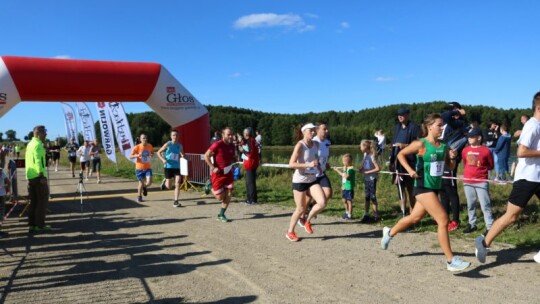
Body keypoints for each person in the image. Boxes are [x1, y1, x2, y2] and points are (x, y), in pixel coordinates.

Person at [380, 113, 470, 272]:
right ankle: (450, 260)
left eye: (442, 125)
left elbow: (449, 167)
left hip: (434, 187)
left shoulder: (443, 146)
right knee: (443, 220)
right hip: (422, 186)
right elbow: (401, 155)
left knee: (414, 218)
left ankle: (389, 233)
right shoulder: (420, 144)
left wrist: (453, 157)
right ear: (429, 127)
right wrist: (410, 170)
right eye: (438, 125)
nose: (442, 128)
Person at [475, 91, 540, 265]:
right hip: (527, 179)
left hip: (538, 178)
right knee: (512, 216)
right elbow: (521, 151)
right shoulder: (532, 125)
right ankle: (484, 243)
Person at [285, 123, 326, 241]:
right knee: (301, 208)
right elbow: (291, 164)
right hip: (300, 180)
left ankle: (306, 221)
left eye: (314, 130)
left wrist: (318, 166)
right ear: (304, 132)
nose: (313, 132)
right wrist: (308, 165)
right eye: (310, 130)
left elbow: (315, 157)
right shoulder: (300, 145)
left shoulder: (316, 144)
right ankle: (290, 232)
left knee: (322, 203)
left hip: (312, 179)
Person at [440, 102, 468, 232]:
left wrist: (458, 113)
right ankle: (445, 218)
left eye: (453, 110)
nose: (450, 112)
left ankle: (456, 220)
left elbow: (445, 116)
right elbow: (444, 116)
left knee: (451, 190)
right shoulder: (448, 123)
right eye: (450, 110)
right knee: (443, 191)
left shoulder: (460, 123)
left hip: (451, 161)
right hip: (442, 160)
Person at [461, 128, 495, 234]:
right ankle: (472, 224)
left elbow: (491, 165)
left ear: (479, 138)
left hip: (481, 181)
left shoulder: (486, 151)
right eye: (468, 136)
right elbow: (464, 163)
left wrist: (481, 171)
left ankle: (490, 227)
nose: (469, 138)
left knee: (485, 204)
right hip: (468, 181)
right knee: (470, 204)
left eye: (472, 136)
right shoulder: (465, 150)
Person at [389, 107, 420, 216]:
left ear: (408, 115)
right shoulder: (397, 127)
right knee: (400, 187)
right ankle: (403, 212)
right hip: (397, 162)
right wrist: (392, 147)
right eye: (398, 115)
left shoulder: (414, 127)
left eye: (402, 114)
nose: (400, 116)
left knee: (410, 188)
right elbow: (394, 140)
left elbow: (418, 144)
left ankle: (413, 212)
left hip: (409, 162)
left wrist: (405, 146)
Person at [204, 127, 237, 222]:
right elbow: (206, 155)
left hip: (228, 173)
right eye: (228, 134)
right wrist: (212, 167)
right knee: (220, 197)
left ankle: (221, 214)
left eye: (232, 134)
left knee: (229, 193)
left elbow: (231, 157)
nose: (231, 136)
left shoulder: (232, 146)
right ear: (223, 135)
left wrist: (235, 160)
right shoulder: (217, 145)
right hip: (218, 174)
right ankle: (209, 185)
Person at [26, 125, 51, 233]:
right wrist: (42, 176)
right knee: (42, 202)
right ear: (38, 133)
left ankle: (32, 224)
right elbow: (38, 161)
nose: (45, 134)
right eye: (44, 132)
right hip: (38, 177)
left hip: (31, 176)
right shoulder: (38, 145)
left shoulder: (30, 144)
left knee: (33, 202)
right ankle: (40, 225)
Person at [157, 130, 184, 207]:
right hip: (168, 166)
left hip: (177, 166)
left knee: (178, 183)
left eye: (176, 135)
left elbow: (182, 153)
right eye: (173, 135)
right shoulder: (168, 144)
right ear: (171, 136)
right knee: (169, 186)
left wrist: (183, 156)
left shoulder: (180, 146)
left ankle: (176, 201)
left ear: (178, 136)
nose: (175, 137)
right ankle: (165, 181)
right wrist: (163, 160)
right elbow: (158, 152)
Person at [358, 139, 381, 222]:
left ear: (365, 147)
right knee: (367, 197)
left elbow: (378, 168)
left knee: (373, 197)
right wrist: (361, 168)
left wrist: (367, 172)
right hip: (366, 179)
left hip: (372, 179)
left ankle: (376, 215)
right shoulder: (365, 154)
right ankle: (366, 214)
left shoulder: (372, 155)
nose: (359, 147)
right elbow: (364, 165)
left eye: (361, 146)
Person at [130, 133, 154, 203]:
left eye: (146, 138)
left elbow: (152, 152)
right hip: (139, 168)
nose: (145, 139)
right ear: (140, 139)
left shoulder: (149, 146)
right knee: (140, 183)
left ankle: (145, 187)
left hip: (147, 167)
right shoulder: (137, 147)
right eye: (143, 138)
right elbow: (131, 156)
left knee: (149, 182)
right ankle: (139, 197)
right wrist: (137, 155)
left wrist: (151, 155)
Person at [239, 127, 260, 205]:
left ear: (246, 133)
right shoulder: (251, 140)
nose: (243, 134)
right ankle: (250, 199)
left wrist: (242, 151)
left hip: (250, 164)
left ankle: (252, 200)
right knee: (249, 182)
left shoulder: (250, 141)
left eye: (244, 133)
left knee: (250, 183)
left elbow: (249, 153)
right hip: (251, 163)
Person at [332, 153, 356, 220]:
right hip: (344, 187)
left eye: (344, 161)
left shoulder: (351, 169)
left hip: (349, 188)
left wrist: (345, 169)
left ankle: (350, 215)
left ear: (349, 162)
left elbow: (346, 177)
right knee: (344, 200)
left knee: (349, 201)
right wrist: (337, 170)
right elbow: (343, 176)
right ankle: (347, 212)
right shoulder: (346, 169)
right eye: (343, 161)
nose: (343, 162)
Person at [0, 167, 11, 238]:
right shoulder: (0, 170)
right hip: (1, 195)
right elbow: (8, 182)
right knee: (0, 214)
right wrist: (8, 190)